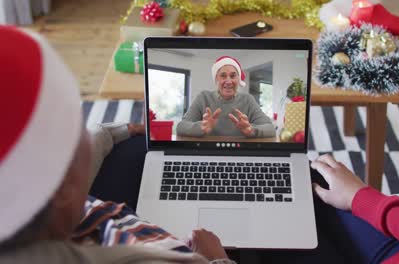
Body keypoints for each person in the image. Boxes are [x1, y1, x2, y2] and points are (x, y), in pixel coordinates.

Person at [0, 26, 234, 264]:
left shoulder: (31, 203)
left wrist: (118, 131)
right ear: (62, 186)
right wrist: (218, 260)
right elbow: (183, 127)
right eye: (76, 125)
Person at [176, 56, 275, 138]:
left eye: (233, 76)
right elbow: (181, 126)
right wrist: (201, 127)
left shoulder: (248, 100)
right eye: (223, 76)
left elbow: (270, 129)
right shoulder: (203, 97)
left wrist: (252, 130)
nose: (228, 81)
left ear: (238, 79)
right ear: (216, 79)